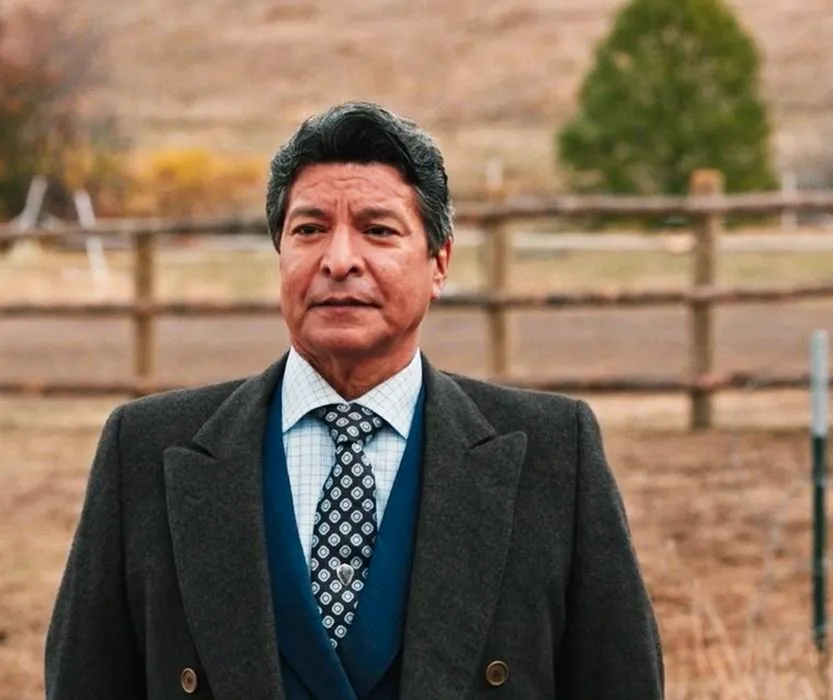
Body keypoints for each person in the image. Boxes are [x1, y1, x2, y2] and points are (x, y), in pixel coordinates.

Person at [44, 101, 665, 699]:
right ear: (280, 255)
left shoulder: (555, 453)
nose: (340, 260)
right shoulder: (147, 450)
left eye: (378, 230)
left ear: (439, 263)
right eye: (310, 230)